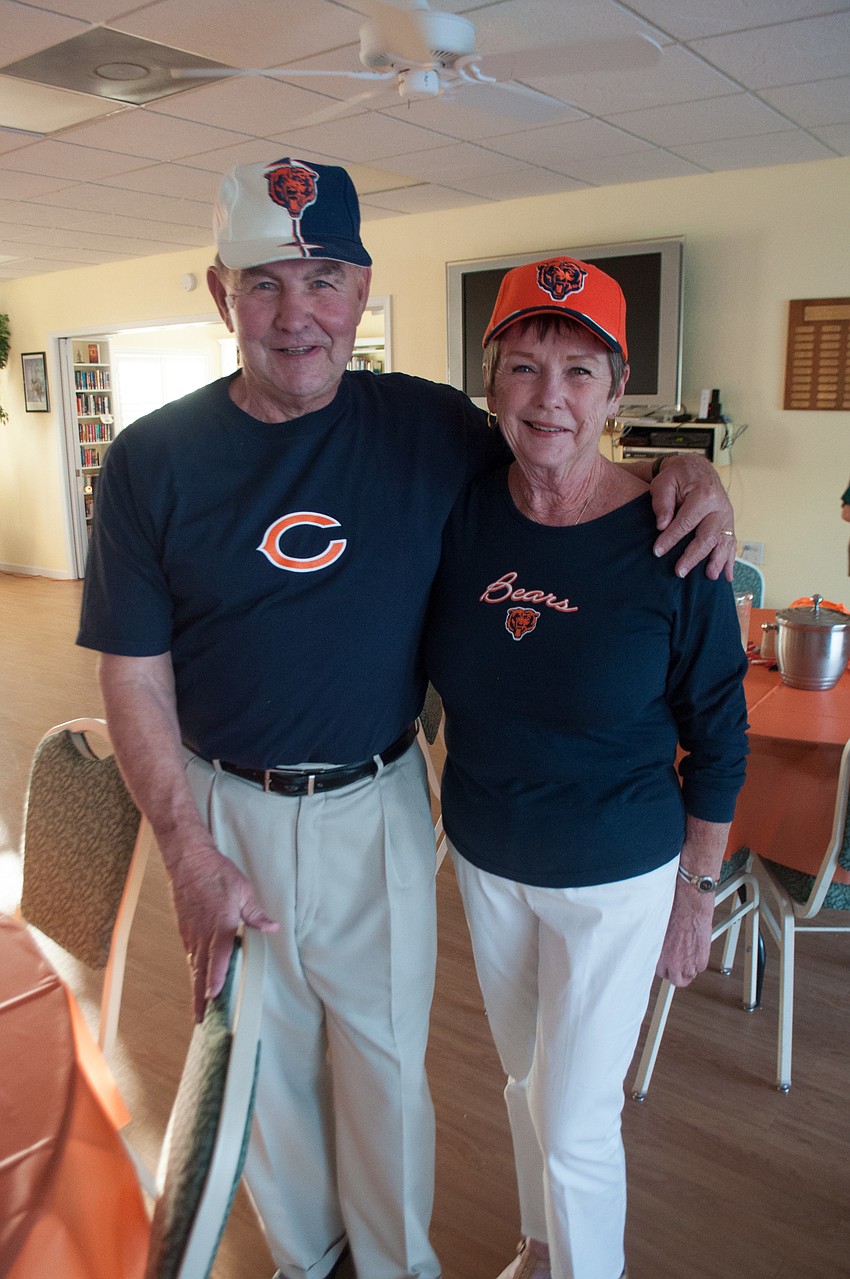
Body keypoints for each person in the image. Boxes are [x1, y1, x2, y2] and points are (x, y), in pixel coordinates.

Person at [76, 156, 738, 1279]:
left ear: (363, 288)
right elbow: (132, 677)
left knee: (383, 1062)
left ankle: (395, 1267)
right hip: (224, 804)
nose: (300, 315)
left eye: (324, 278)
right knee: (263, 1064)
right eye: (267, 283)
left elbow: (568, 457)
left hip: (378, 800)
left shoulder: (430, 428)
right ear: (218, 289)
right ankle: (306, 1257)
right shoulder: (152, 461)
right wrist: (185, 850)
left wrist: (694, 475)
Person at [424, 256, 749, 1279]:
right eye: (523, 368)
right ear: (492, 388)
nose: (548, 398)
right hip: (488, 857)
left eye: (576, 373)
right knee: (526, 1081)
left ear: (617, 392)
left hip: (617, 878)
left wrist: (696, 892)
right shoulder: (462, 511)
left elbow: (721, 733)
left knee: (574, 1120)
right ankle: (538, 1241)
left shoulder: (673, 538)